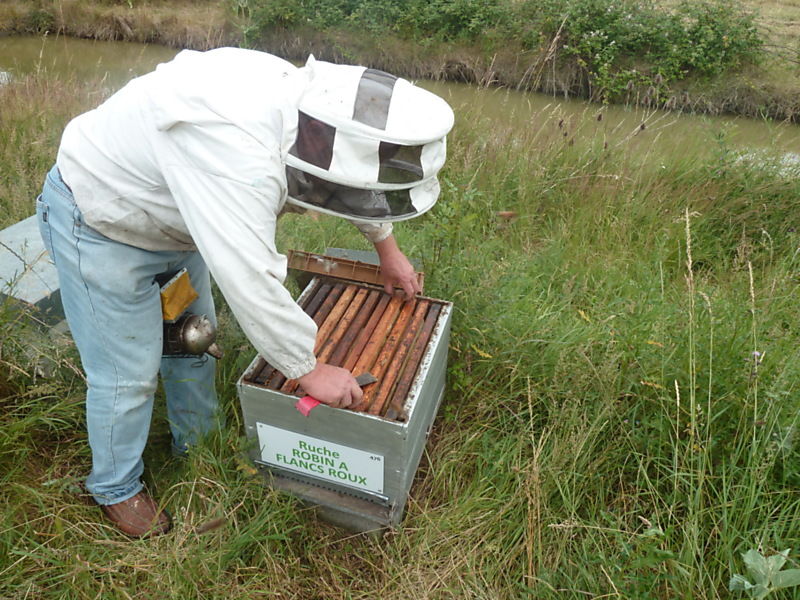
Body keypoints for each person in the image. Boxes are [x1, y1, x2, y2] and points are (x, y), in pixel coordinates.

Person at [36, 47, 454, 538]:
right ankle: (114, 487)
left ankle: (199, 447)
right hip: (102, 224)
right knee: (126, 375)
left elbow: (356, 175)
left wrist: (386, 247)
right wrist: (308, 368)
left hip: (177, 222)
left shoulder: (307, 113)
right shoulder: (239, 155)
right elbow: (249, 276)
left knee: (196, 343)